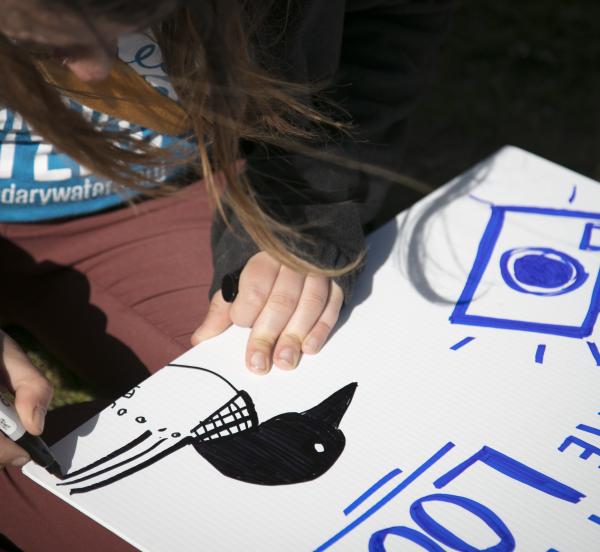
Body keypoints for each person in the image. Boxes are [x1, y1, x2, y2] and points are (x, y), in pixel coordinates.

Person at [0, 0, 453, 549]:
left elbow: (382, 22)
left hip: (159, 197)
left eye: (133, 21)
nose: (98, 71)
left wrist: (300, 208)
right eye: (40, 41)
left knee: (278, 434)